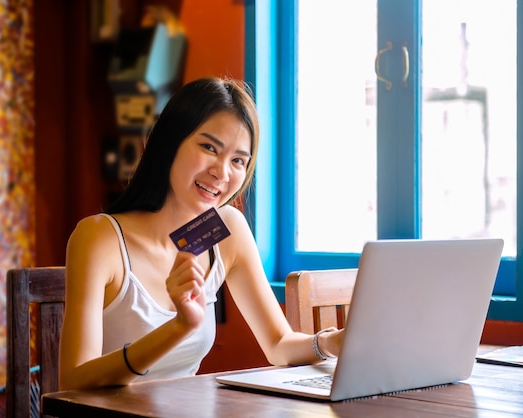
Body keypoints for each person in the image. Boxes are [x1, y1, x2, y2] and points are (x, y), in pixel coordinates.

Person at [58, 76, 344, 390]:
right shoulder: (100, 239)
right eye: (209, 147)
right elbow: (73, 380)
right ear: (169, 142)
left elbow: (278, 343)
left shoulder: (226, 229)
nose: (222, 173)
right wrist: (179, 327)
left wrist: (332, 343)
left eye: (238, 160)